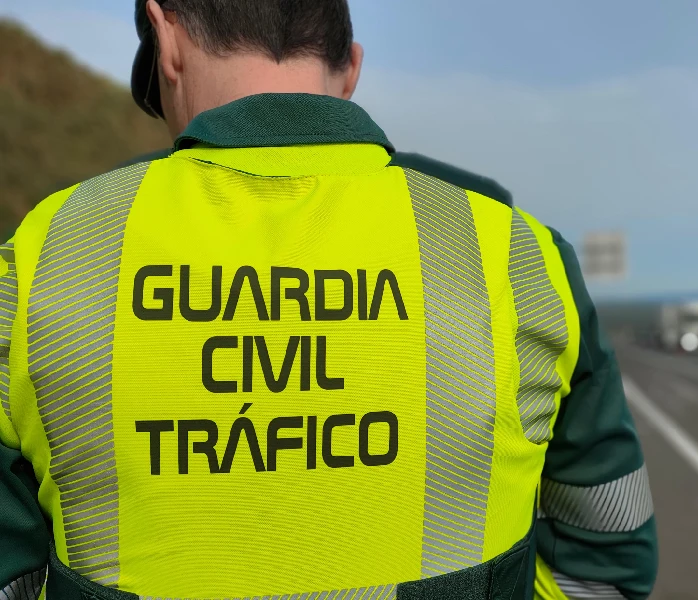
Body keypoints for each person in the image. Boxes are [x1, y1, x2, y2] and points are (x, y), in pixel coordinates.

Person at [0, 1, 657, 599]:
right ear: (351, 69)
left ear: (167, 39)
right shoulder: (516, 252)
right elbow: (606, 552)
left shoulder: (42, 259)